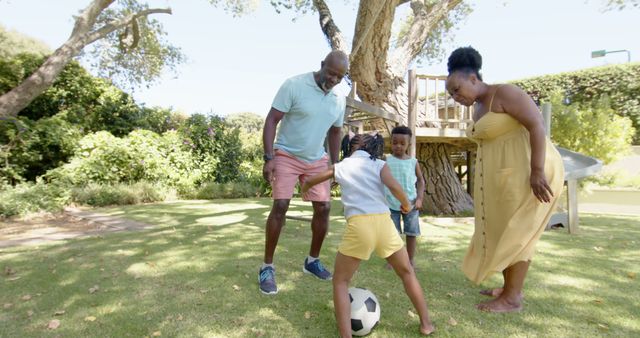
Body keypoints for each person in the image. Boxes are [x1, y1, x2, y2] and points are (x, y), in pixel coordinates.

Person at [445, 46, 565, 312]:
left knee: (518, 232)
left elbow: (536, 125)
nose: (455, 97)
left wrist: (536, 171)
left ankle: (512, 298)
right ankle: (508, 289)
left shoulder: (505, 93)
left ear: (473, 78)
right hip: (506, 178)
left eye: (456, 89)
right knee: (504, 231)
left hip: (531, 173)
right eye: (450, 93)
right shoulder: (478, 107)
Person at [302, 134, 435, 337]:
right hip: (384, 223)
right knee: (407, 272)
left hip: (360, 226)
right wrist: (407, 205)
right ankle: (426, 324)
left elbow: (313, 179)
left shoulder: (343, 165)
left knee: (340, 281)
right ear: (371, 147)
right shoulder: (379, 164)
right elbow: (395, 187)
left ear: (351, 147)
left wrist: (305, 188)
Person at [259, 50, 349, 295]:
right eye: (331, 73)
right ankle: (267, 267)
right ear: (321, 65)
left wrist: (334, 165)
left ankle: (312, 261)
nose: (333, 79)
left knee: (324, 208)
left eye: (339, 77)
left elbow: (334, 133)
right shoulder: (294, 85)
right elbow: (271, 120)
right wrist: (269, 158)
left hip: (316, 159)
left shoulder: (339, 99)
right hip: (286, 154)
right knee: (280, 206)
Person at [384, 126, 425, 270]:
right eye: (395, 142)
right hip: (390, 204)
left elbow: (421, 181)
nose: (398, 146)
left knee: (411, 233)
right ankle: (392, 261)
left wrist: (419, 199)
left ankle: (410, 260)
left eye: (402, 143)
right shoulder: (386, 161)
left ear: (409, 144)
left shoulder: (413, 162)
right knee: (393, 234)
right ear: (391, 142)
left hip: (411, 204)